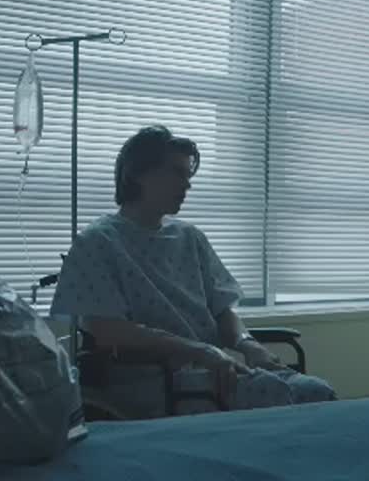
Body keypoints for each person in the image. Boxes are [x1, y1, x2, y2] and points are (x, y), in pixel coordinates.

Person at [50, 125, 336, 418]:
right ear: (138, 173)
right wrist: (200, 351)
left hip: (213, 370)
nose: (187, 185)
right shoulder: (98, 243)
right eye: (177, 173)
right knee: (286, 397)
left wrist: (248, 344)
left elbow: (222, 311)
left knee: (315, 390)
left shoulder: (190, 238)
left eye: (188, 176)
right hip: (152, 382)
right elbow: (108, 332)